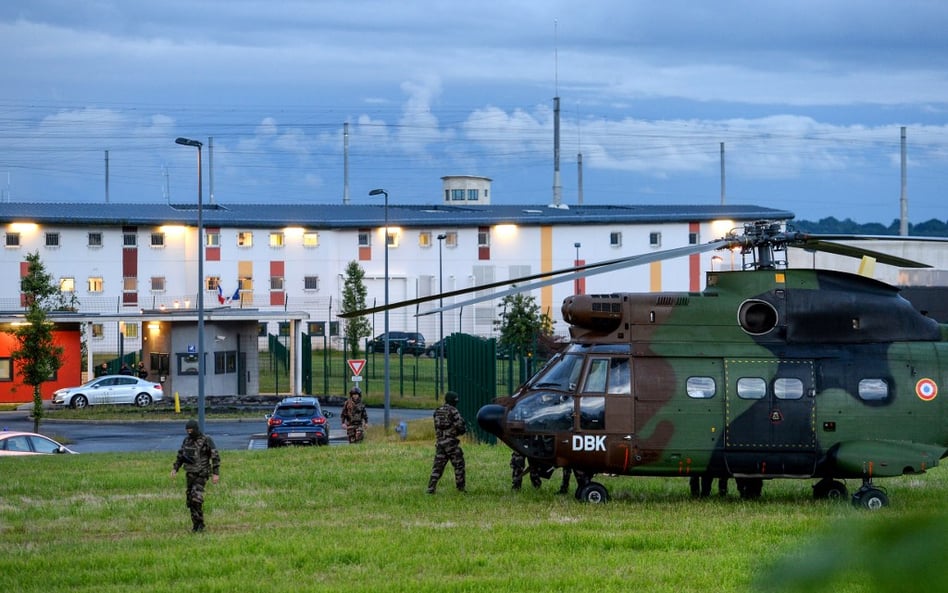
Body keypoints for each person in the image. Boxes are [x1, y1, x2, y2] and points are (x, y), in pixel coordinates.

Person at [171, 419, 221, 532]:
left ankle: (200, 524)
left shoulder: (206, 440)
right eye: (187, 430)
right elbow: (181, 456)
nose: (189, 432)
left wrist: (215, 473)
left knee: (196, 498)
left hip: (201, 473)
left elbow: (215, 457)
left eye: (191, 430)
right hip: (190, 474)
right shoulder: (186, 441)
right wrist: (175, 468)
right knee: (190, 501)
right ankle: (196, 525)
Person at [426, 391, 466, 494]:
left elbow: (436, 427)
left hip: (440, 443)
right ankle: (460, 488)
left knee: (437, 467)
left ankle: (431, 488)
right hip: (451, 443)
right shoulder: (454, 411)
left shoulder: (437, 411)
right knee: (459, 465)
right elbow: (460, 426)